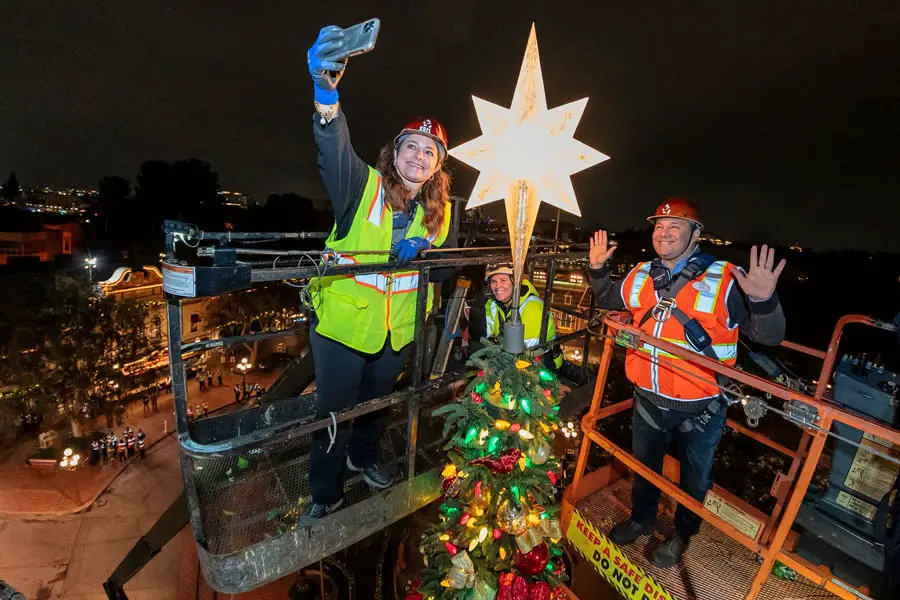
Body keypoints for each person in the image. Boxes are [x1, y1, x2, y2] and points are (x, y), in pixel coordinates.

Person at [302, 25, 457, 521]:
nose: (418, 156)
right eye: (411, 146)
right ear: (395, 153)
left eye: (428, 152)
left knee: (376, 406)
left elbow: (441, 255)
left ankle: (362, 459)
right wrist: (327, 92)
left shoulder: (439, 210)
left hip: (396, 331)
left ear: (436, 167)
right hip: (345, 328)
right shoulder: (361, 185)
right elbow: (333, 147)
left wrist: (425, 246)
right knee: (334, 415)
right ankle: (325, 495)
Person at [587, 197, 786, 568]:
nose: (664, 233)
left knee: (695, 481)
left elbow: (768, 336)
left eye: (675, 226)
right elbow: (610, 296)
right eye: (659, 227)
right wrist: (598, 270)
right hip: (647, 399)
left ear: (696, 234)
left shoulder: (724, 278)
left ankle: (681, 536)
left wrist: (763, 300)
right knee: (645, 467)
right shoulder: (643, 274)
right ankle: (641, 520)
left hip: (702, 405)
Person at [469, 263, 562, 369]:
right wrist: (478, 307)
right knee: (475, 348)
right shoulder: (494, 304)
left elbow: (525, 354)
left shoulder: (533, 307)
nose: (497, 286)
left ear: (515, 282)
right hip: (509, 357)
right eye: (493, 281)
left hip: (541, 365)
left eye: (503, 280)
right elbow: (480, 335)